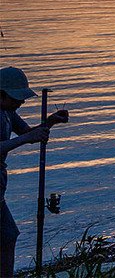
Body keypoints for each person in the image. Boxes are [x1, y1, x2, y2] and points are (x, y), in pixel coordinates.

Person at [1, 67, 66, 278]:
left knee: (8, 236)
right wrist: (27, 139)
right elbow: (24, 138)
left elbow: (28, 133)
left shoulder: (8, 112)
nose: (21, 102)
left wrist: (50, 122)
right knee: (7, 234)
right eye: (16, 98)